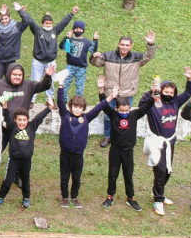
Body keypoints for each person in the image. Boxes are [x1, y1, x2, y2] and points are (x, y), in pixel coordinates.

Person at [54, 73, 118, 209]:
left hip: (78, 154)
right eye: (75, 107)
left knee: (76, 178)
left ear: (83, 109)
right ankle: (65, 197)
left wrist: (111, 97)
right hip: (65, 152)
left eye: (80, 108)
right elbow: (60, 102)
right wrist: (61, 85)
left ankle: (74, 197)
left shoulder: (87, 117)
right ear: (71, 107)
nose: (77, 109)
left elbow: (99, 108)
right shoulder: (65, 115)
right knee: (64, 176)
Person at [138, 67, 191, 216]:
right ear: (161, 90)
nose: (169, 94)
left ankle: (157, 192)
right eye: (166, 91)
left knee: (168, 171)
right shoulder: (153, 102)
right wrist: (151, 93)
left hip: (170, 141)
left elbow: (188, 93)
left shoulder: (175, 102)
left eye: (171, 92)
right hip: (156, 142)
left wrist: (190, 80)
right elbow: (141, 105)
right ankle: (158, 200)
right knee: (160, 169)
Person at [90, 31, 156, 148]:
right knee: (107, 115)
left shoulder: (136, 58)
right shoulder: (108, 55)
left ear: (131, 46)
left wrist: (150, 45)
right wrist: (94, 56)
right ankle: (108, 136)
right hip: (110, 91)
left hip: (127, 92)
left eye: (127, 45)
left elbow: (149, 56)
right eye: (122, 44)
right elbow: (95, 63)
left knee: (126, 115)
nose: (124, 47)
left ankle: (123, 136)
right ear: (118, 44)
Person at [100, 80, 153, 212]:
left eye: (127, 110)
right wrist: (102, 90)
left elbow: (146, 107)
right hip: (115, 150)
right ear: (116, 108)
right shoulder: (113, 114)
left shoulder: (134, 115)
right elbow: (103, 104)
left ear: (130, 108)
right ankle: (110, 196)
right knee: (113, 174)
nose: (124, 112)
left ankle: (131, 198)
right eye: (122, 110)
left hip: (128, 151)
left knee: (128, 175)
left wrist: (153, 94)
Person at [0, 97, 52, 209]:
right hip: (14, 160)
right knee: (8, 181)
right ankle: (0, 197)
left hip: (26, 160)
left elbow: (40, 117)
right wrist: (5, 107)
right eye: (19, 120)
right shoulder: (12, 127)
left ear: (27, 120)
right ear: (15, 120)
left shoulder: (32, 126)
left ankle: (26, 198)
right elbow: (7, 116)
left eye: (24, 120)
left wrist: (48, 108)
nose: (22, 122)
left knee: (25, 181)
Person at [15, 3, 78, 104]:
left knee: (51, 81)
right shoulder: (37, 30)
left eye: (50, 23)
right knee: (35, 81)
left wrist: (72, 13)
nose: (48, 25)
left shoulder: (55, 31)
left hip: (51, 62)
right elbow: (30, 21)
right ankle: (31, 100)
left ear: (52, 24)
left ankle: (50, 99)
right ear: (42, 23)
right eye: (46, 23)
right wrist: (22, 12)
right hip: (38, 61)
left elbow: (63, 22)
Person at [58, 22, 99, 103]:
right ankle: (63, 102)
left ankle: (77, 103)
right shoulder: (70, 40)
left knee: (79, 87)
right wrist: (66, 37)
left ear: (83, 30)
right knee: (65, 85)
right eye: (76, 28)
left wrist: (95, 40)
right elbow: (62, 47)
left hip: (81, 68)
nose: (78, 30)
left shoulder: (86, 41)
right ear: (73, 30)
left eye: (80, 29)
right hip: (70, 66)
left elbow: (93, 50)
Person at [0, 5, 29, 80]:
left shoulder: (16, 27)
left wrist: (21, 12)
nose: (4, 21)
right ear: (0, 18)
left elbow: (27, 21)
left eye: (6, 18)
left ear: (10, 17)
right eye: (2, 19)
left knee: (10, 80)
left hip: (10, 58)